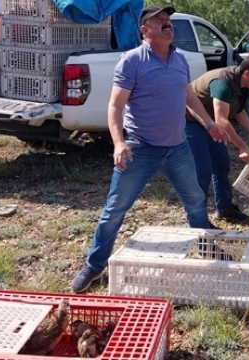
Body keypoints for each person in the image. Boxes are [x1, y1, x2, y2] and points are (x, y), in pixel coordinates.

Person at [71, 5, 228, 293]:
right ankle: (95, 265)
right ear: (145, 30)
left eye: (167, 20)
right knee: (115, 209)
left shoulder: (180, 59)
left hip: (177, 147)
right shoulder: (132, 61)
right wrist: (119, 143)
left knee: (195, 199)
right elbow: (115, 106)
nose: (167, 23)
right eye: (159, 20)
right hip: (140, 148)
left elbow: (189, 97)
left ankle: (206, 247)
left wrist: (209, 124)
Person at [186, 54, 249, 223]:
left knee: (221, 164)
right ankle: (198, 219)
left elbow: (239, 111)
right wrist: (242, 146)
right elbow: (222, 121)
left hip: (212, 123)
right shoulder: (223, 82)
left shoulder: (243, 84)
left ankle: (224, 208)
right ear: (247, 74)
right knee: (202, 171)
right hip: (190, 120)